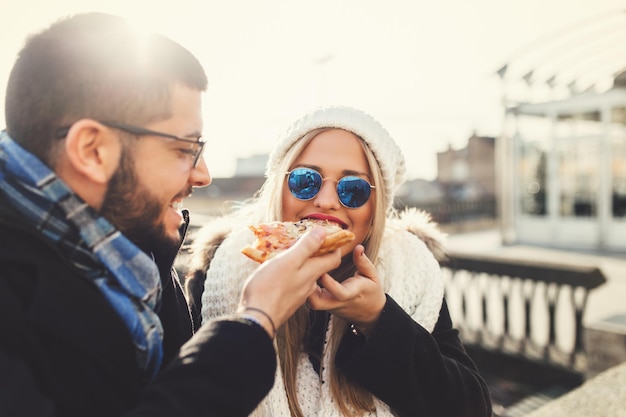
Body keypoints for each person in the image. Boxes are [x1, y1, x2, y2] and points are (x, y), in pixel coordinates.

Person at [0, 13, 342, 417]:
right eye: (184, 149)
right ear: (92, 150)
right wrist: (255, 320)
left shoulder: (131, 253)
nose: (203, 174)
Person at [186, 105, 493, 417]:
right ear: (280, 188)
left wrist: (379, 320)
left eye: (353, 189)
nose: (326, 201)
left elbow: (472, 408)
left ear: (375, 211)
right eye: (306, 180)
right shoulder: (221, 270)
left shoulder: (412, 272)